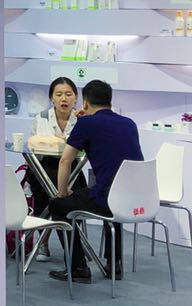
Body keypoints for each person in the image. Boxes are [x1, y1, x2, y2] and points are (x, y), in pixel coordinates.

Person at [47, 80, 142, 283]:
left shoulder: (86, 124)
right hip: (135, 198)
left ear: (85, 102)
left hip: (108, 199)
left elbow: (65, 161)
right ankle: (115, 264)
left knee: (58, 205)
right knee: (111, 195)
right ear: (110, 101)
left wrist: (62, 193)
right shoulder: (129, 123)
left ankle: (78, 268)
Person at [26, 78, 78, 217]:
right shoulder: (41, 118)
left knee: (74, 197)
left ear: (76, 98)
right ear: (51, 98)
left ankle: (69, 229)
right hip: (43, 168)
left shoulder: (81, 120)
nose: (64, 99)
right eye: (59, 94)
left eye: (68, 94)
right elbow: (32, 148)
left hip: (72, 169)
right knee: (44, 198)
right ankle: (44, 229)